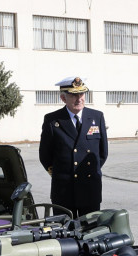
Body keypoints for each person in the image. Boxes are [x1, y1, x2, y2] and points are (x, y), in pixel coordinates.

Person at [39, 77, 108, 218]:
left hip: (90, 189)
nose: (79, 99)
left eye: (81, 94)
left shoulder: (97, 116)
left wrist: (88, 172)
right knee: (66, 236)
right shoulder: (52, 120)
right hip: (64, 190)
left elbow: (103, 152)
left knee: (90, 234)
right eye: (73, 95)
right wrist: (61, 174)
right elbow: (45, 155)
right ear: (63, 98)